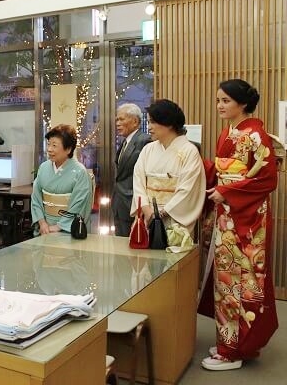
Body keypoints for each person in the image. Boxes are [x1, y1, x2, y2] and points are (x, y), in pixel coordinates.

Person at [198, 79, 278, 371]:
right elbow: (223, 171)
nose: (220, 105)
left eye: (226, 101)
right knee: (226, 280)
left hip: (247, 221)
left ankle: (233, 350)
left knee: (240, 281)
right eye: (218, 100)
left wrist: (228, 191)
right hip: (229, 215)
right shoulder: (229, 132)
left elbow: (267, 179)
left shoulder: (255, 135)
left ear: (242, 103)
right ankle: (231, 341)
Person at [131, 99, 206, 241]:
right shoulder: (148, 149)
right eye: (148, 122)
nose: (150, 127)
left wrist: (162, 212)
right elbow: (138, 182)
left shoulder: (189, 151)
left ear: (169, 123)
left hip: (175, 218)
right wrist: (146, 209)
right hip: (147, 216)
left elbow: (188, 189)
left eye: (153, 122)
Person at [31, 124, 93, 235]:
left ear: (68, 149)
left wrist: (59, 226)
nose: (49, 149)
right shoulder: (44, 167)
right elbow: (36, 197)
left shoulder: (80, 172)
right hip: (44, 227)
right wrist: (42, 222)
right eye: (49, 144)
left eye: (54, 145)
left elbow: (79, 205)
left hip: (67, 229)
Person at [111, 103, 151, 236]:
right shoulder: (125, 142)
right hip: (119, 203)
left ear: (135, 121)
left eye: (121, 119)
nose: (117, 123)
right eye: (117, 119)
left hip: (133, 204)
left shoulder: (145, 141)